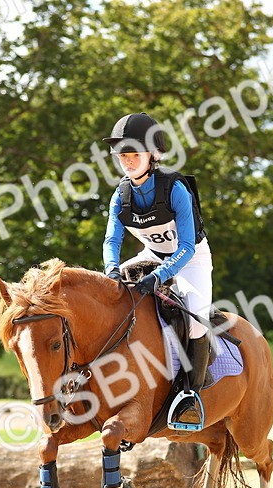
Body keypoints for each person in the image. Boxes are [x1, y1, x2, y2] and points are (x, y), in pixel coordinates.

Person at [101, 112, 213, 431]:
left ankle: (190, 396)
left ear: (154, 155)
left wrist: (158, 277)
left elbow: (187, 246)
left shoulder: (175, 188)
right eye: (123, 154)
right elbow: (112, 238)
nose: (128, 160)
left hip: (190, 259)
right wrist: (111, 270)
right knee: (106, 298)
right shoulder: (121, 195)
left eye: (134, 153)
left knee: (194, 316)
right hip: (150, 254)